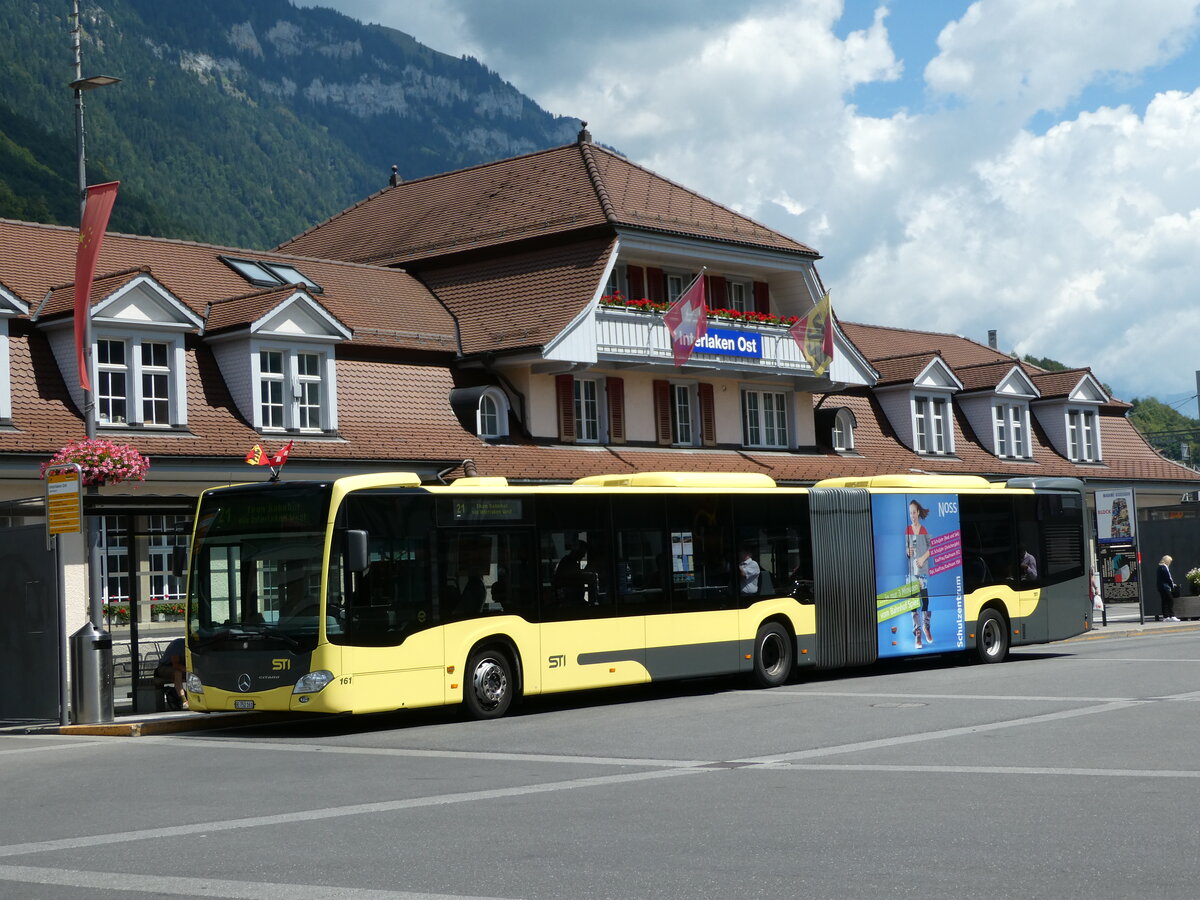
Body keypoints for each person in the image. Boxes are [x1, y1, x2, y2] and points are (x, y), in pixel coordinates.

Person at [906, 500, 933, 649]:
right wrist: (907, 552)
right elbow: (906, 549)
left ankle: (926, 627)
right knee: (913, 602)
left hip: (921, 572)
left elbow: (931, 548)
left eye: (914, 513)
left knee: (925, 600)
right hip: (911, 572)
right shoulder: (907, 530)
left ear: (918, 513)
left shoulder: (923, 530)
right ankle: (917, 632)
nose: (912, 516)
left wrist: (922, 558)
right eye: (910, 513)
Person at [153, 637, 187, 710]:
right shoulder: (178, 644)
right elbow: (176, 664)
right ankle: (183, 700)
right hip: (165, 667)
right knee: (178, 672)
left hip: (184, 668)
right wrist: (190, 670)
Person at [1157, 555, 1179, 622]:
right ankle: (1172, 616)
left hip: (1160, 587)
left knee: (1164, 601)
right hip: (1165, 587)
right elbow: (1168, 578)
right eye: (1170, 561)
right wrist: (1172, 586)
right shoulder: (1164, 567)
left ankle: (1166, 617)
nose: (1170, 563)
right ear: (1167, 561)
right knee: (1170, 600)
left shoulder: (1159, 567)